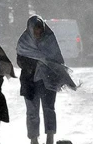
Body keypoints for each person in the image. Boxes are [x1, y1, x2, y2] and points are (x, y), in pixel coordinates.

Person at [16, 15, 77, 144]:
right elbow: (20, 60)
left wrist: (47, 64)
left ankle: (50, 137)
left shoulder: (49, 39)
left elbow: (57, 60)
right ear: (30, 29)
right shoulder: (24, 41)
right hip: (30, 81)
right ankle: (33, 139)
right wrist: (35, 64)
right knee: (32, 111)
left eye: (40, 29)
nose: (38, 32)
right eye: (35, 29)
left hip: (48, 81)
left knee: (49, 109)